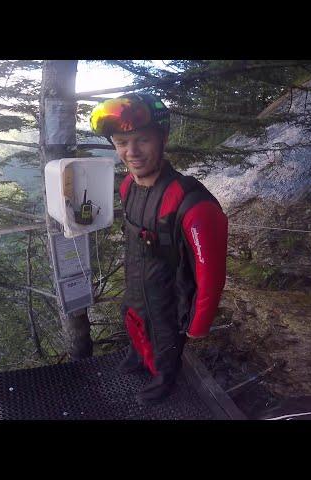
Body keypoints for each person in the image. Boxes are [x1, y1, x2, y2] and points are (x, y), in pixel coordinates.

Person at [90, 93, 228, 405]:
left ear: (162, 139)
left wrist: (199, 323)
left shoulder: (192, 202)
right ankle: (138, 357)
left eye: (142, 140)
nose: (131, 152)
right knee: (134, 318)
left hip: (171, 296)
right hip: (138, 283)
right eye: (121, 142)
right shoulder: (128, 187)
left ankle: (164, 380)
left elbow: (212, 273)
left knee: (165, 340)